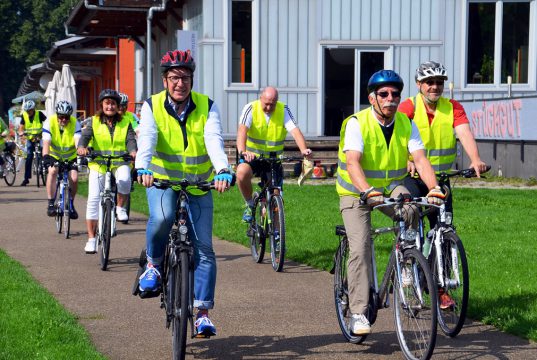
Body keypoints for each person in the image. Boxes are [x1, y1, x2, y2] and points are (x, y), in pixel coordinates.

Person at [336, 69, 445, 335]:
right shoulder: (356, 123)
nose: (391, 98)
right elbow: (352, 162)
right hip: (355, 192)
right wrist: (367, 191)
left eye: (395, 94)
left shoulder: (407, 124)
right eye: (383, 94)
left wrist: (435, 188)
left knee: (411, 209)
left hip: (390, 187)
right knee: (360, 247)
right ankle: (359, 312)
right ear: (372, 98)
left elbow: (420, 159)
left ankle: (406, 261)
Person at [135, 49, 233, 337]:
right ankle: (153, 264)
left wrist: (222, 170)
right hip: (162, 181)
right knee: (163, 218)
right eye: (175, 77)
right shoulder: (151, 106)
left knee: (204, 248)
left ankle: (202, 313)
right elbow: (148, 140)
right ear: (165, 80)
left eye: (186, 77)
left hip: (198, 184)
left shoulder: (207, 106)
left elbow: (213, 139)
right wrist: (142, 168)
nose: (181, 83)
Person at [398, 61, 488, 229]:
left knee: (443, 226)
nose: (435, 87)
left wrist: (475, 159)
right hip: (413, 177)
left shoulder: (453, 107)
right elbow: (396, 137)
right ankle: (410, 254)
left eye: (439, 82)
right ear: (419, 84)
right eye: (429, 82)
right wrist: (405, 160)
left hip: (441, 178)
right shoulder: (408, 106)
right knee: (411, 219)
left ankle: (442, 253)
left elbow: (464, 132)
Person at [236, 86, 312, 222]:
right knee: (241, 173)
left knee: (276, 200)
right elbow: (242, 131)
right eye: (266, 104)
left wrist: (303, 149)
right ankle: (249, 203)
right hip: (253, 157)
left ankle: (276, 237)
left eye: (273, 104)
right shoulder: (251, 108)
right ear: (261, 99)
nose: (269, 107)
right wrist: (243, 152)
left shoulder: (283, 110)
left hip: (273, 160)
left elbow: (295, 131)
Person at [77, 89, 137, 253]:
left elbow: (130, 139)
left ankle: (120, 208)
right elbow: (85, 136)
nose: (110, 106)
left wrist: (133, 151)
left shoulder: (125, 121)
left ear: (117, 106)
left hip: (119, 162)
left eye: (113, 103)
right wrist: (82, 147)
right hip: (99, 164)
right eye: (107, 103)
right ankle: (91, 239)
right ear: (102, 105)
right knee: (94, 199)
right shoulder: (94, 121)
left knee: (125, 179)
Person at [42, 101, 81, 218]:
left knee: (74, 178)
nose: (64, 119)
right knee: (53, 171)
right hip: (54, 155)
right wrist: (45, 157)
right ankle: (50, 203)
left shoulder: (75, 123)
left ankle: (71, 204)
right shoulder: (49, 122)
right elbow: (46, 143)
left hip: (71, 156)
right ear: (57, 115)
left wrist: (81, 156)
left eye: (66, 117)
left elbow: (78, 142)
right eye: (61, 117)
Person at [18, 100, 46, 186]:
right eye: (27, 110)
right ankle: (26, 179)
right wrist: (21, 133)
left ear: (33, 109)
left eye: (29, 110)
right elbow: (21, 127)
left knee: (44, 153)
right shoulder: (24, 115)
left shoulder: (39, 114)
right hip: (31, 138)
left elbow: (47, 123)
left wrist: (46, 131)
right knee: (29, 156)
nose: (28, 112)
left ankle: (44, 171)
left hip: (40, 137)